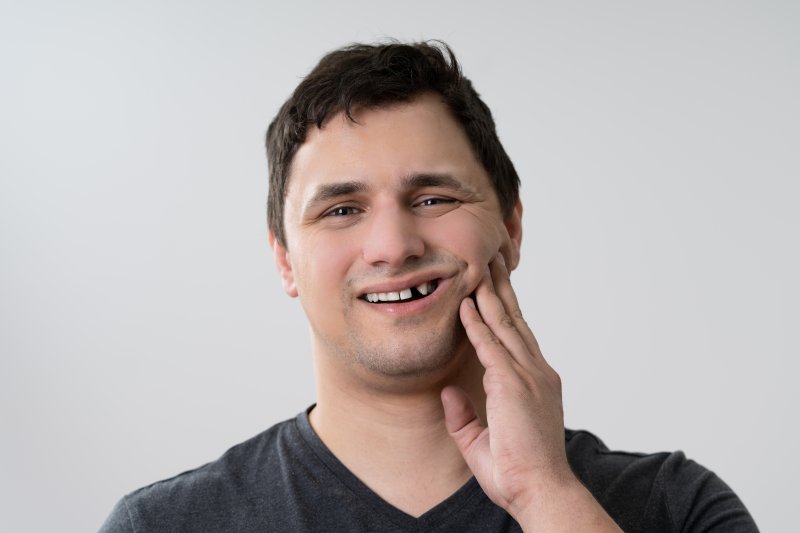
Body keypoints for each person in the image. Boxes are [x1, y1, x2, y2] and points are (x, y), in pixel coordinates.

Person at [100, 41, 758, 532]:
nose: (393, 245)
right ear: (284, 260)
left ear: (511, 226)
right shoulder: (161, 525)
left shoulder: (677, 507)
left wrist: (545, 492)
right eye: (341, 209)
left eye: (434, 196)